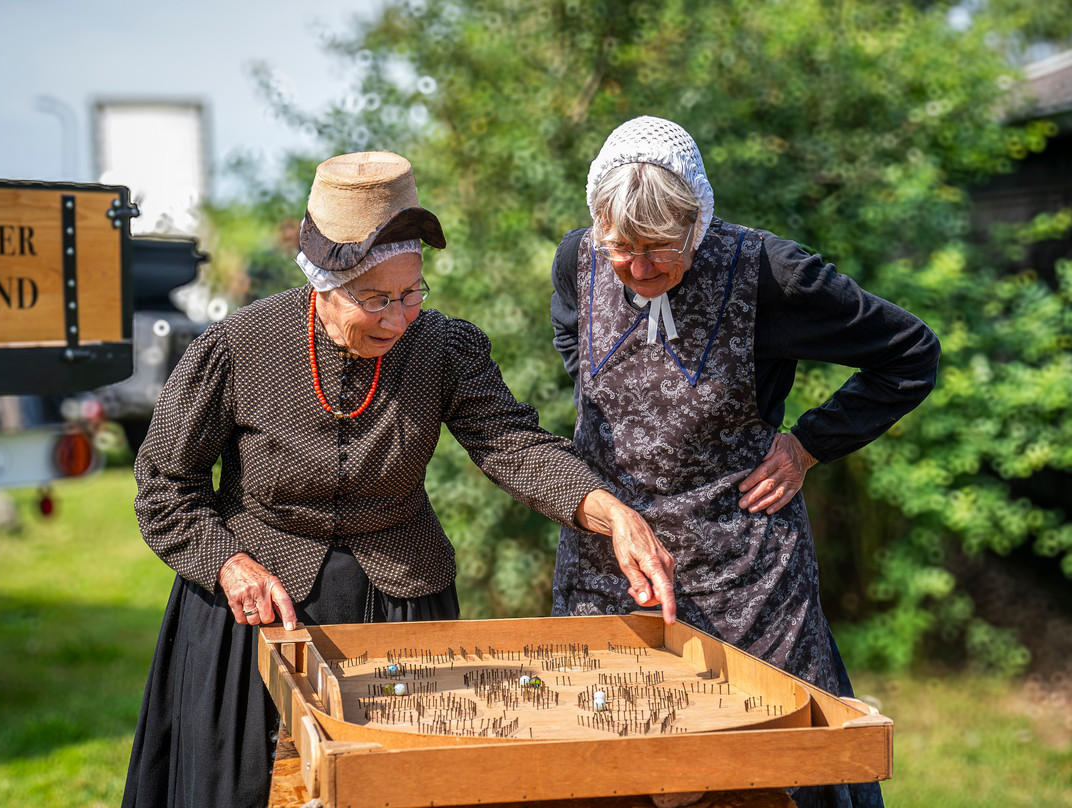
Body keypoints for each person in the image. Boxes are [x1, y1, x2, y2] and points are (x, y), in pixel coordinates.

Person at [121, 151, 675, 808]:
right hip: (254, 622)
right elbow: (165, 486)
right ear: (323, 283)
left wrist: (608, 510)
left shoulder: (442, 346)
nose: (397, 317)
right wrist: (227, 564)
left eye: (412, 293)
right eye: (376, 299)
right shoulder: (238, 346)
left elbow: (512, 445)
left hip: (399, 609)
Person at [549, 117, 940, 808]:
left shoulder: (769, 273)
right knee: (608, 769)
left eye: (661, 249)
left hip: (745, 578)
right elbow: (569, 333)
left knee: (776, 765)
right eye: (624, 249)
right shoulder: (577, 258)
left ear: (696, 221)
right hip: (610, 567)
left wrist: (809, 442)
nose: (640, 270)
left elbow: (908, 353)